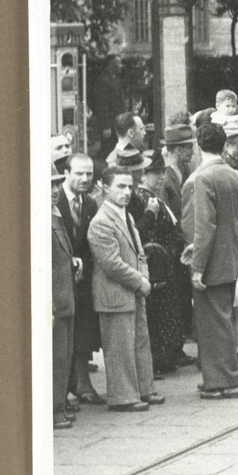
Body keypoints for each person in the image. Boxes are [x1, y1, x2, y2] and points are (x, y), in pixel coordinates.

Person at [88, 167, 165, 412]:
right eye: (120, 187)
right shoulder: (101, 222)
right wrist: (139, 280)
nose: (127, 192)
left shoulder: (126, 216)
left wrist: (144, 276)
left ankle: (144, 388)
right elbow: (111, 263)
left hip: (132, 289)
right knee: (120, 346)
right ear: (105, 187)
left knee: (139, 341)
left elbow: (139, 251)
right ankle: (123, 396)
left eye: (129, 187)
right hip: (115, 292)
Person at [182, 122, 238, 399]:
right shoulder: (233, 175)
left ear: (198, 144)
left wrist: (197, 266)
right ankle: (217, 378)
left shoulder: (203, 178)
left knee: (213, 325)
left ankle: (226, 382)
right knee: (222, 322)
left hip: (212, 263)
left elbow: (204, 226)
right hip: (230, 258)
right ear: (223, 145)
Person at [57, 152, 103, 405]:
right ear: (66, 173)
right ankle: (63, 389)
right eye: (79, 173)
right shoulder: (56, 199)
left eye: (89, 174)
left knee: (84, 331)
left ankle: (82, 381)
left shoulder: (91, 204)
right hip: (61, 278)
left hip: (82, 279)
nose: (85, 178)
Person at [50, 168, 79, 429]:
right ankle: (54, 410)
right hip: (54, 303)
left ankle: (59, 406)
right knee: (56, 358)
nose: (54, 191)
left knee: (64, 357)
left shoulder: (57, 215)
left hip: (65, 298)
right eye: (49, 186)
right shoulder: (41, 220)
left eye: (57, 185)